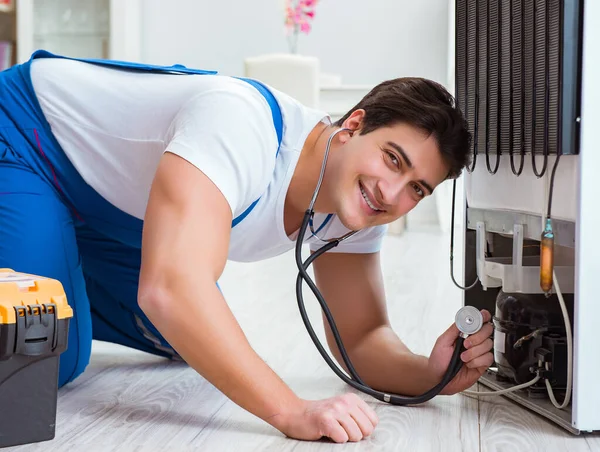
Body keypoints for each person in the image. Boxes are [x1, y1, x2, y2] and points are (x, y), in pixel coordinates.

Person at [0, 50, 493, 443]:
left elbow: (360, 338)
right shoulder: (240, 126)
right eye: (392, 159)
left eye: (417, 189)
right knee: (47, 358)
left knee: (177, 336)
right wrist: (292, 410)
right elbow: (171, 289)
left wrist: (428, 374)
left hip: (113, 206)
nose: (391, 193)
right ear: (353, 125)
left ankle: (49, 253)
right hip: (28, 139)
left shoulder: (356, 209)